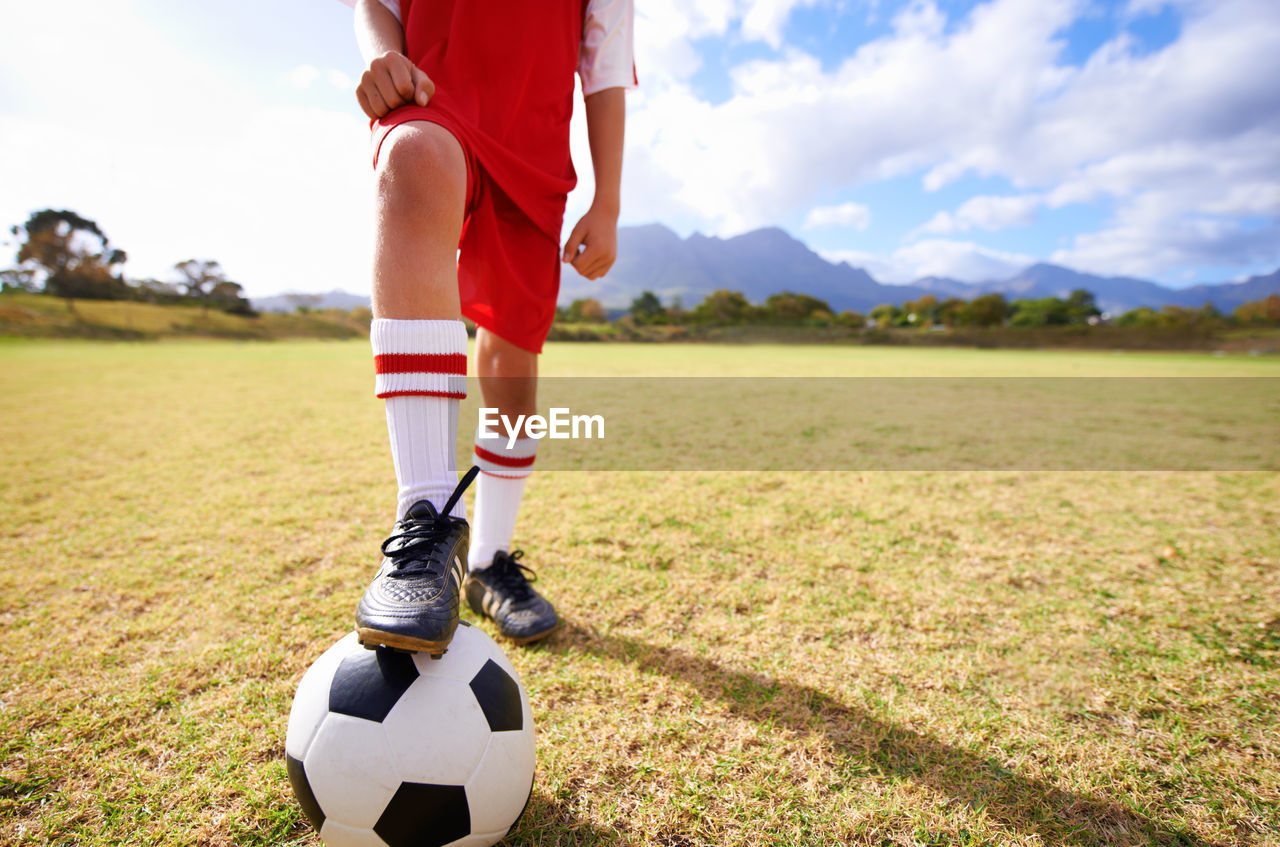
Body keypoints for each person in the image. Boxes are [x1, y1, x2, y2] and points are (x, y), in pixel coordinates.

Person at [349, 0, 635, 657]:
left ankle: (488, 561)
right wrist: (378, 55)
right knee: (413, 156)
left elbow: (605, 67)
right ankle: (425, 526)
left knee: (510, 372)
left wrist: (608, 203)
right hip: (430, 95)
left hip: (534, 154)